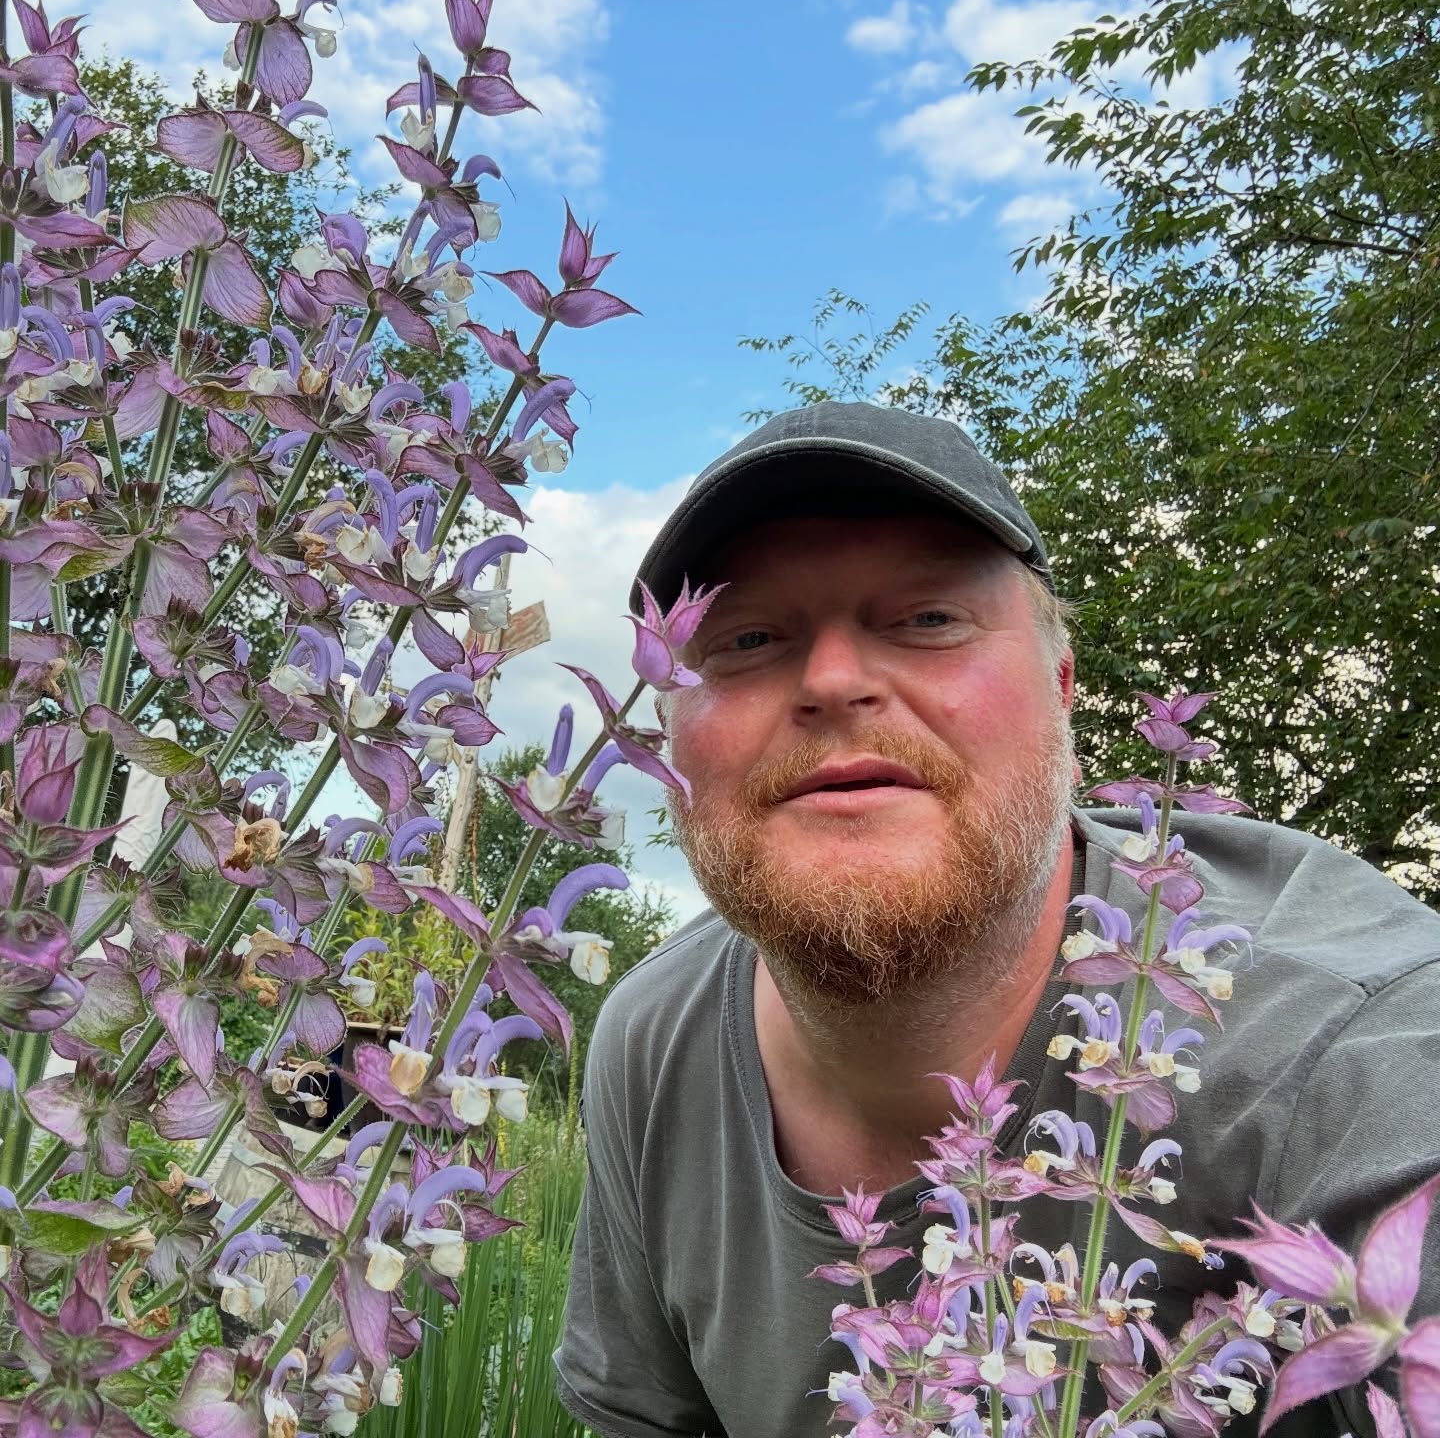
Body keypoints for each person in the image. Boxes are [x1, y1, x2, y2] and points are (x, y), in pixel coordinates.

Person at [553, 401, 1440, 1438]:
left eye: (927, 619)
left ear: (1064, 691)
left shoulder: (1347, 1047)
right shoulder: (652, 1041)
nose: (834, 680)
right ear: (665, 743)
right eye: (748, 639)